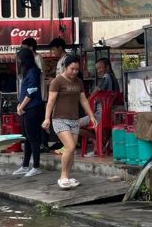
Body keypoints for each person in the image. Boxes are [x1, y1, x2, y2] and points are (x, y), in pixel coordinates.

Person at [42, 55, 97, 190]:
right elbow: (51, 101)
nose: (74, 72)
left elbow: (83, 100)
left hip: (74, 120)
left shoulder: (78, 82)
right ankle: (63, 176)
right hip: (59, 119)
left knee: (71, 151)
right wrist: (47, 118)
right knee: (70, 147)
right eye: (72, 69)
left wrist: (91, 116)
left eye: (77, 69)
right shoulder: (57, 81)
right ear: (65, 67)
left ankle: (68, 175)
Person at [78, 57, 120, 155]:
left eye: (100, 68)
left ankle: (100, 140)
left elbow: (96, 91)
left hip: (101, 116)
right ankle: (101, 140)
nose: (98, 71)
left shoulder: (106, 77)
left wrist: (88, 99)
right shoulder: (114, 79)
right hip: (111, 115)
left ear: (107, 67)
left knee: (74, 125)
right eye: (97, 69)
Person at [13, 48, 44, 177]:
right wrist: (20, 105)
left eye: (19, 58)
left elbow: (31, 91)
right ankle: (25, 165)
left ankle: (36, 166)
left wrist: (22, 106)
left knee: (33, 138)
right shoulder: (27, 72)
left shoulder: (32, 72)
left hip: (32, 108)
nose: (18, 61)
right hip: (26, 108)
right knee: (26, 138)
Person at [21, 37, 49, 151]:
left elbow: (39, 77)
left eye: (24, 47)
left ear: (31, 47)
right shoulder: (29, 66)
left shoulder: (37, 60)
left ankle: (43, 144)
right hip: (34, 97)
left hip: (39, 95)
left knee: (41, 121)